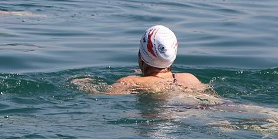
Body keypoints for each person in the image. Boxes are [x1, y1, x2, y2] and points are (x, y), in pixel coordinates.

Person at [73, 25, 205, 94]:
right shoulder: (189, 78)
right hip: (196, 107)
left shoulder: (131, 82)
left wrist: (83, 85)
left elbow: (101, 95)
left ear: (141, 56)